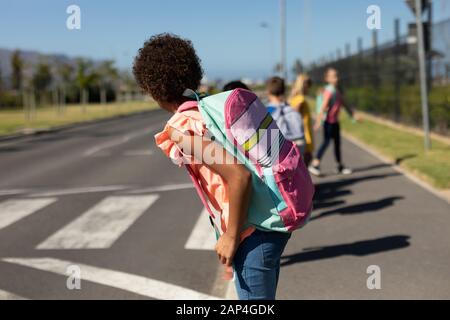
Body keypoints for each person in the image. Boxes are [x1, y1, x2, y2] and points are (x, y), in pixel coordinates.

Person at [133, 34, 291, 300]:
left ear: (153, 88)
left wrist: (230, 237)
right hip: (269, 219)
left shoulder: (185, 129)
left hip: (251, 230)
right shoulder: (208, 109)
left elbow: (238, 176)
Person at [309, 68, 357, 177]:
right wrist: (318, 121)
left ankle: (340, 166)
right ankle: (315, 164)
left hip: (335, 122)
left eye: (337, 75)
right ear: (327, 79)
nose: (336, 78)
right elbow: (323, 107)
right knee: (326, 142)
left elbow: (345, 104)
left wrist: (353, 116)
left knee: (337, 144)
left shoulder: (337, 90)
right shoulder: (329, 91)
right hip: (329, 122)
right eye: (333, 76)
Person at [266, 77, 306, 155]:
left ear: (269, 91)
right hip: (297, 145)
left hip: (278, 149)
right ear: (284, 91)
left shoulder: (266, 112)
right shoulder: (293, 111)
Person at [289, 74, 314, 166]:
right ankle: (303, 178)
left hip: (300, 131)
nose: (309, 89)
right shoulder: (301, 99)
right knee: (307, 157)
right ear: (304, 86)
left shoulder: (294, 97)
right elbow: (294, 113)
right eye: (308, 86)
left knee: (304, 157)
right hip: (304, 131)